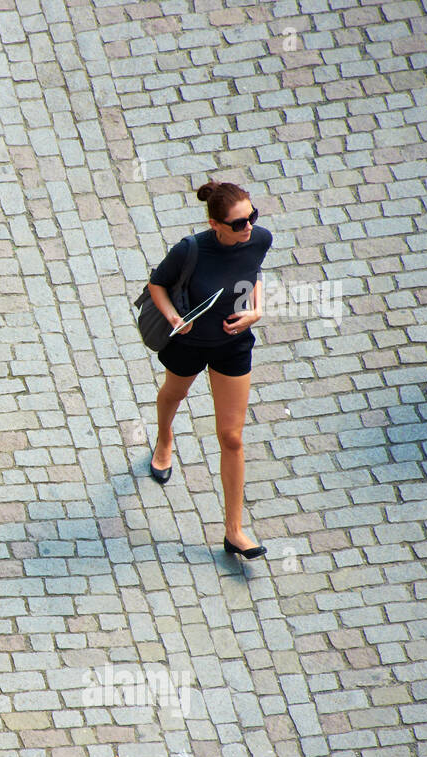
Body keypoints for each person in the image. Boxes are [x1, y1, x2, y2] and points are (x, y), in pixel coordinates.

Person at [145, 180, 271, 560]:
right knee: (175, 393)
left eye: (251, 217)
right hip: (188, 342)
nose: (247, 227)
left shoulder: (260, 239)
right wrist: (173, 317)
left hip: (232, 344)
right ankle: (164, 439)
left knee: (231, 436)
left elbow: (256, 272)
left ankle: (234, 531)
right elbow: (157, 284)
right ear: (215, 224)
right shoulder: (191, 249)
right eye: (237, 223)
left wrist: (257, 309)